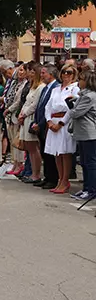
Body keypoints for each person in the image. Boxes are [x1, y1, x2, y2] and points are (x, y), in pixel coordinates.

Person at [44, 62, 79, 194]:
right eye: (64, 72)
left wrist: (61, 123)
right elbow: (48, 107)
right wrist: (49, 121)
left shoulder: (75, 89)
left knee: (65, 152)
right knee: (56, 153)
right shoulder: (55, 89)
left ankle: (65, 180)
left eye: (69, 72)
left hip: (64, 123)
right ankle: (60, 179)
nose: (66, 75)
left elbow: (72, 108)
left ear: (74, 75)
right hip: (53, 121)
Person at [16, 62, 45, 181]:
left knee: (34, 148)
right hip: (25, 117)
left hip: (31, 117)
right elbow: (27, 102)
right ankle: (32, 172)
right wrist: (21, 114)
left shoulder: (40, 87)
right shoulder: (32, 86)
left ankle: (36, 174)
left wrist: (24, 114)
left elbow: (34, 105)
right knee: (29, 148)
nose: (31, 74)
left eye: (33, 72)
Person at [70, 69, 96, 202]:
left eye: (80, 79)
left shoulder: (89, 96)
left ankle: (91, 189)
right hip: (82, 133)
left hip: (89, 133)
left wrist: (71, 108)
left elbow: (76, 113)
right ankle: (86, 188)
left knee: (90, 163)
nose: (78, 82)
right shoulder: (82, 95)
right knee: (85, 162)